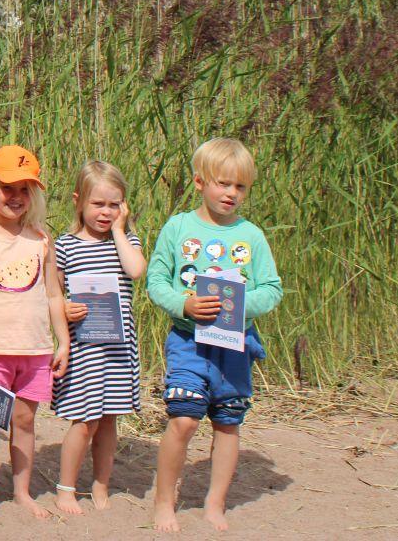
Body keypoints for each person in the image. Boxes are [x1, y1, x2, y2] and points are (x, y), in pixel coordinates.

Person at [149, 138, 282, 534]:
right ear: (199, 181)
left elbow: (272, 289)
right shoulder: (179, 227)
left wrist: (240, 307)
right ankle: (163, 500)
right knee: (184, 420)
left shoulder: (252, 236)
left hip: (235, 344)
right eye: (223, 184)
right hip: (188, 341)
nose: (231, 194)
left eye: (240, 187)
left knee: (227, 422)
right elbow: (157, 280)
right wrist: (183, 305)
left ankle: (214, 503)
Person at [0, 145, 71, 519]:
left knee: (25, 421)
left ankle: (22, 491)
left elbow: (54, 294)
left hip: (35, 349)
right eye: (8, 188)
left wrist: (63, 341)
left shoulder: (41, 240)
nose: (16, 197)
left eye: (25, 189)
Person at [52, 161, 146, 515]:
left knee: (110, 418)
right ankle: (65, 487)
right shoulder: (65, 245)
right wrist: (64, 307)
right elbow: (51, 294)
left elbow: (136, 271)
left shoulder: (127, 241)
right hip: (84, 348)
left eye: (114, 204)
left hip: (119, 349)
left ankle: (101, 483)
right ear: (79, 201)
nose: (106, 212)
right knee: (85, 418)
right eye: (98, 204)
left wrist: (121, 231)